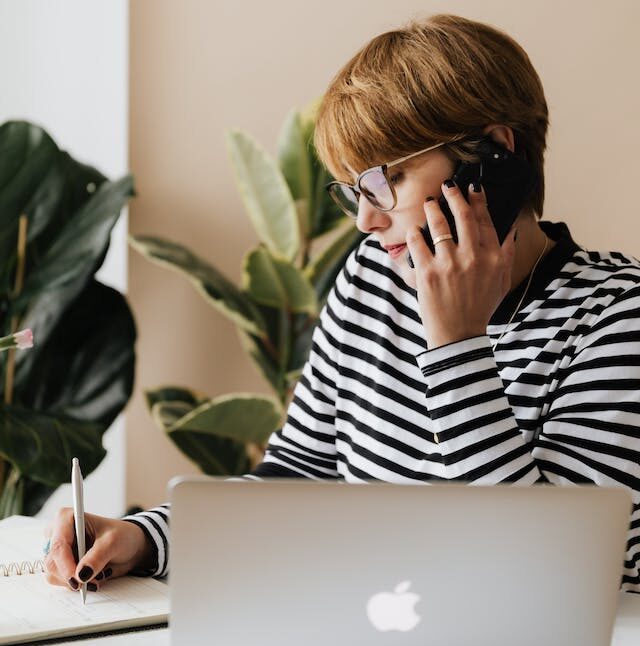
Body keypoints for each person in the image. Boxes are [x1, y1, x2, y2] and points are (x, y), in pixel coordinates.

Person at [44, 14, 640, 593]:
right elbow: (297, 478)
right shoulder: (373, 279)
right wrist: (145, 538)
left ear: (492, 158)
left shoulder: (617, 317)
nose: (365, 220)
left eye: (388, 180)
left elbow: (551, 579)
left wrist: (457, 345)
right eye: (354, 189)